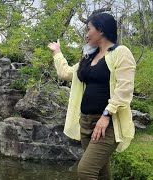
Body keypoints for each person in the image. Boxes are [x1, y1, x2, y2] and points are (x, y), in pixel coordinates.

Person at [47, 13, 136, 179]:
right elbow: (66, 73)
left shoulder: (120, 52)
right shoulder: (89, 57)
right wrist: (57, 53)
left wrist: (106, 114)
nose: (86, 34)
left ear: (101, 30)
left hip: (106, 124)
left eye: (89, 29)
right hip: (86, 123)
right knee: (102, 173)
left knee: (86, 171)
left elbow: (124, 88)